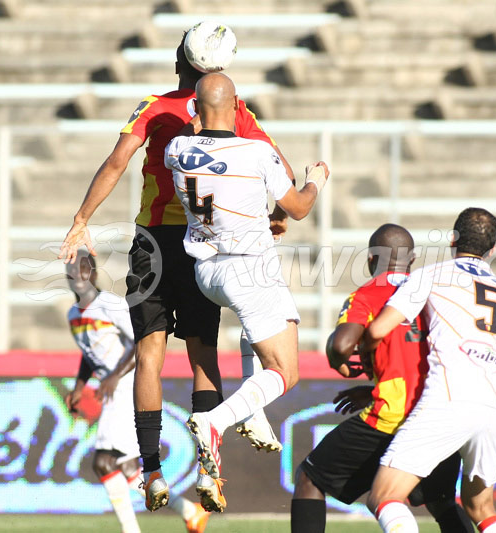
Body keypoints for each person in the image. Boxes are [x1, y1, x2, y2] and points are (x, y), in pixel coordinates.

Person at [58, 22, 288, 512]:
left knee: (150, 354)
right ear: (221, 70)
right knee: (204, 354)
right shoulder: (235, 110)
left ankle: (152, 472)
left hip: (153, 242)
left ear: (180, 61)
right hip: (204, 246)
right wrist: (277, 216)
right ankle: (210, 470)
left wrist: (81, 221)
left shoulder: (155, 106)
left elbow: (119, 160)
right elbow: (279, 168)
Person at [165, 72, 329, 512]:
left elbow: (196, 144)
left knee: (257, 329)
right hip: (249, 269)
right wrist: (316, 179)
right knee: (285, 371)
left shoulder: (176, 150)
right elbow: (297, 207)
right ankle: (215, 422)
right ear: (237, 105)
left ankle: (253, 415)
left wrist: (198, 116)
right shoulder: (256, 152)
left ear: (196, 109)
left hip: (206, 272)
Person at [290, 224, 474, 533]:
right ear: (412, 259)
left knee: (311, 478)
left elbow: (341, 346)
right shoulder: (435, 292)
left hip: (393, 413)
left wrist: (341, 364)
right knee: (440, 500)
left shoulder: (367, 294)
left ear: (370, 260)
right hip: (440, 410)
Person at [361, 208, 496, 533]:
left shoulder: (432, 274)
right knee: (481, 507)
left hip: (450, 397)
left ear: (452, 239)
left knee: (385, 496)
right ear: (493, 251)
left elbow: (376, 331)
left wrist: (364, 362)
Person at [63, 250, 210, 533]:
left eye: (82, 270)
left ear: (92, 273)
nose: (76, 277)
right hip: (111, 390)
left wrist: (114, 377)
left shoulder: (109, 305)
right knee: (128, 468)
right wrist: (80, 387)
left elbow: (139, 344)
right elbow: (88, 353)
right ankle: (190, 512)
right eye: (71, 272)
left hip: (128, 385)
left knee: (105, 462)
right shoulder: (74, 314)